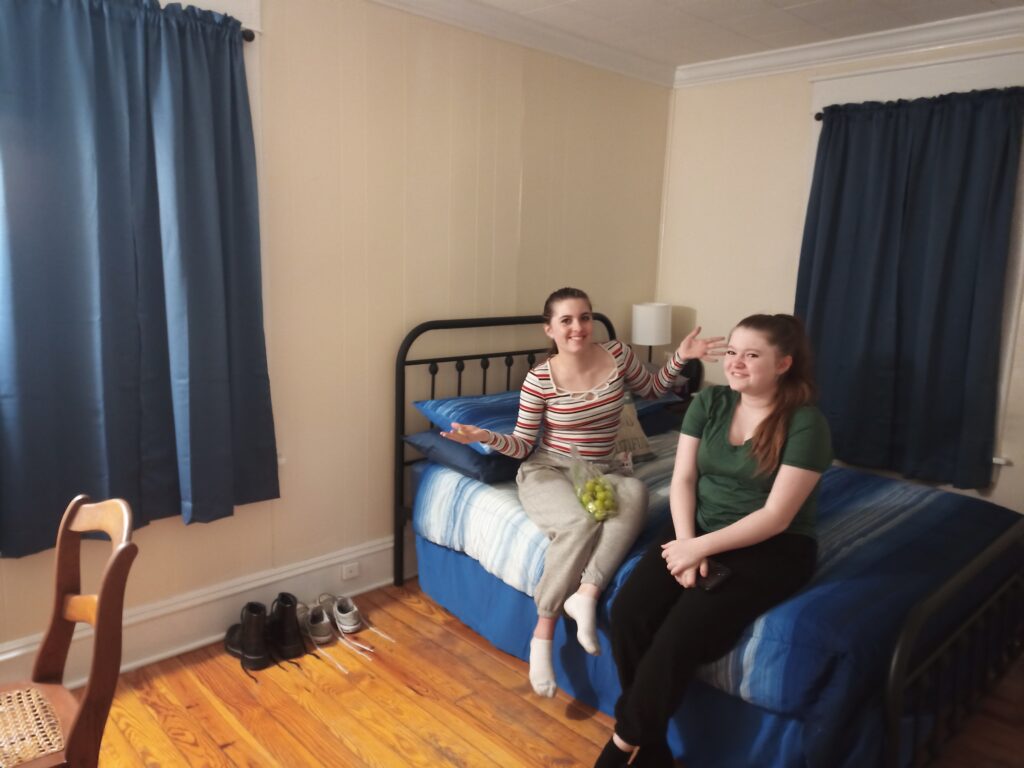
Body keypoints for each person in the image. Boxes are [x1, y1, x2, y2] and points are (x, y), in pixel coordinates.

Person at [442, 287, 725, 698]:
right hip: (549, 470)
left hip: (602, 471)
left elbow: (653, 390)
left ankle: (587, 595)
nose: (578, 327)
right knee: (579, 523)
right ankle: (543, 633)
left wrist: (680, 356)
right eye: (567, 320)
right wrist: (484, 436)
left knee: (636, 493)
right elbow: (522, 445)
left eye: (585, 317)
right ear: (549, 329)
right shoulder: (540, 379)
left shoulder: (618, 355)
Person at [595, 313, 833, 768]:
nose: (736, 363)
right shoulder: (710, 402)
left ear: (783, 363)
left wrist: (699, 550)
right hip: (696, 527)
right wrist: (687, 542)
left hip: (769, 545)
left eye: (752, 355)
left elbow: (776, 517)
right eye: (733, 352)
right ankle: (655, 747)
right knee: (628, 613)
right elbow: (683, 479)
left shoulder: (806, 423)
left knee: (677, 636)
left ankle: (621, 745)